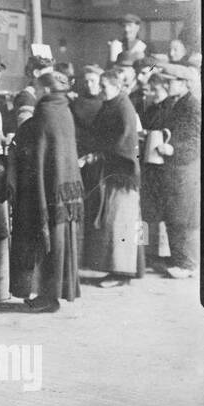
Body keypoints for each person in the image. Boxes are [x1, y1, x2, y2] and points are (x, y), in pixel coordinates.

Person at [8, 69, 83, 312]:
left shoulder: (45, 111)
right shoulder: (64, 109)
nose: (35, 92)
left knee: (46, 240)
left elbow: (33, 146)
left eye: (38, 88)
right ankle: (53, 294)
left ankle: (47, 298)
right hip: (65, 190)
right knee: (59, 242)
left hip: (47, 189)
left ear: (47, 90)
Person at [83, 66, 143, 288]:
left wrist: (98, 154)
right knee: (115, 223)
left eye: (104, 86)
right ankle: (119, 271)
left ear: (117, 87)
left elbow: (123, 142)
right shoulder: (111, 104)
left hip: (123, 174)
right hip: (112, 171)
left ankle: (122, 272)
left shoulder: (123, 106)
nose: (100, 89)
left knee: (122, 224)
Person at [154, 66, 200, 279]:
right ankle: (179, 261)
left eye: (170, 81)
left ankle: (187, 264)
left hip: (184, 170)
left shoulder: (192, 106)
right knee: (174, 215)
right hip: (174, 170)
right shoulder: (174, 104)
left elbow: (196, 142)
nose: (166, 85)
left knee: (183, 218)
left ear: (183, 83)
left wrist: (172, 149)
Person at [138, 73, 172, 269]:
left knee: (158, 212)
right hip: (147, 164)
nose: (152, 93)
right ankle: (144, 252)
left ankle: (158, 255)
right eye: (150, 90)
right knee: (145, 210)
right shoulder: (150, 109)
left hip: (161, 166)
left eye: (155, 90)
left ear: (165, 88)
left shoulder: (170, 110)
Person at [5, 54, 54, 134]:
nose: (52, 78)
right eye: (49, 74)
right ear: (36, 73)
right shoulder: (26, 97)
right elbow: (26, 131)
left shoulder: (40, 94)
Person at [70, 64, 104, 155]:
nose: (89, 85)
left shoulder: (107, 102)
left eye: (92, 81)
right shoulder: (76, 104)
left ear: (101, 82)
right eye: (86, 82)